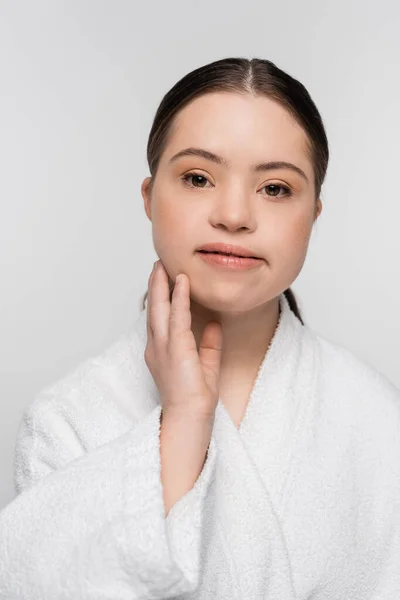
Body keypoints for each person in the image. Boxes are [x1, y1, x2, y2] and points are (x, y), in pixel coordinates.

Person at [0, 57, 399, 599]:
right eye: (197, 177)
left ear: (314, 214)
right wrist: (185, 420)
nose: (234, 215)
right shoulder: (64, 420)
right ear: (148, 197)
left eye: (276, 188)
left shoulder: (376, 418)